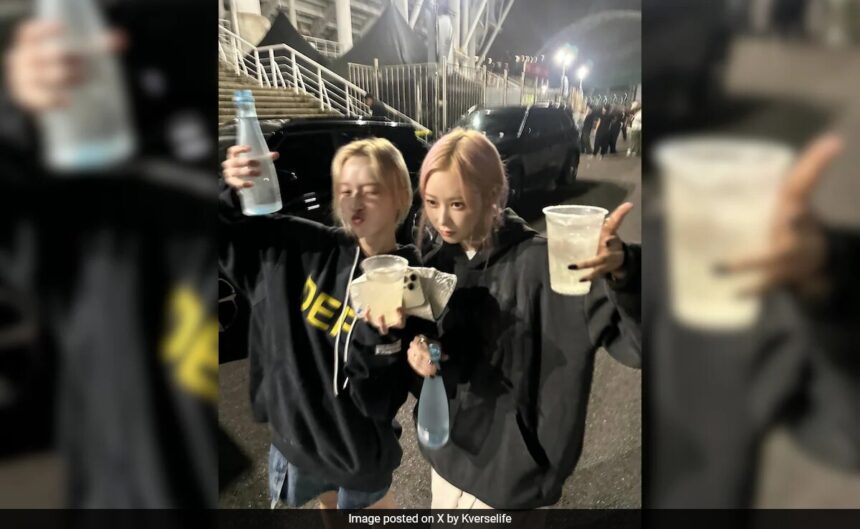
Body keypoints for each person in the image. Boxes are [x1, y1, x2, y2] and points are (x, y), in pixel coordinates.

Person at [405, 129, 641, 509]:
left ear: (492, 195)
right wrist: (420, 352)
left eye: (457, 204)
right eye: (432, 202)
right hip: (447, 459)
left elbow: (637, 345)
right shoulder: (436, 266)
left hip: (512, 481)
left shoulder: (550, 265)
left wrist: (624, 271)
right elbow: (433, 353)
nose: (441, 219)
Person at [220, 138, 424, 509]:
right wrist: (231, 191)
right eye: (345, 190)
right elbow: (225, 237)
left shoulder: (412, 283)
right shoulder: (303, 248)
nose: (355, 201)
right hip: (300, 445)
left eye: (370, 190)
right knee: (327, 507)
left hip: (359, 455)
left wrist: (380, 341)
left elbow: (382, 400)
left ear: (400, 196)